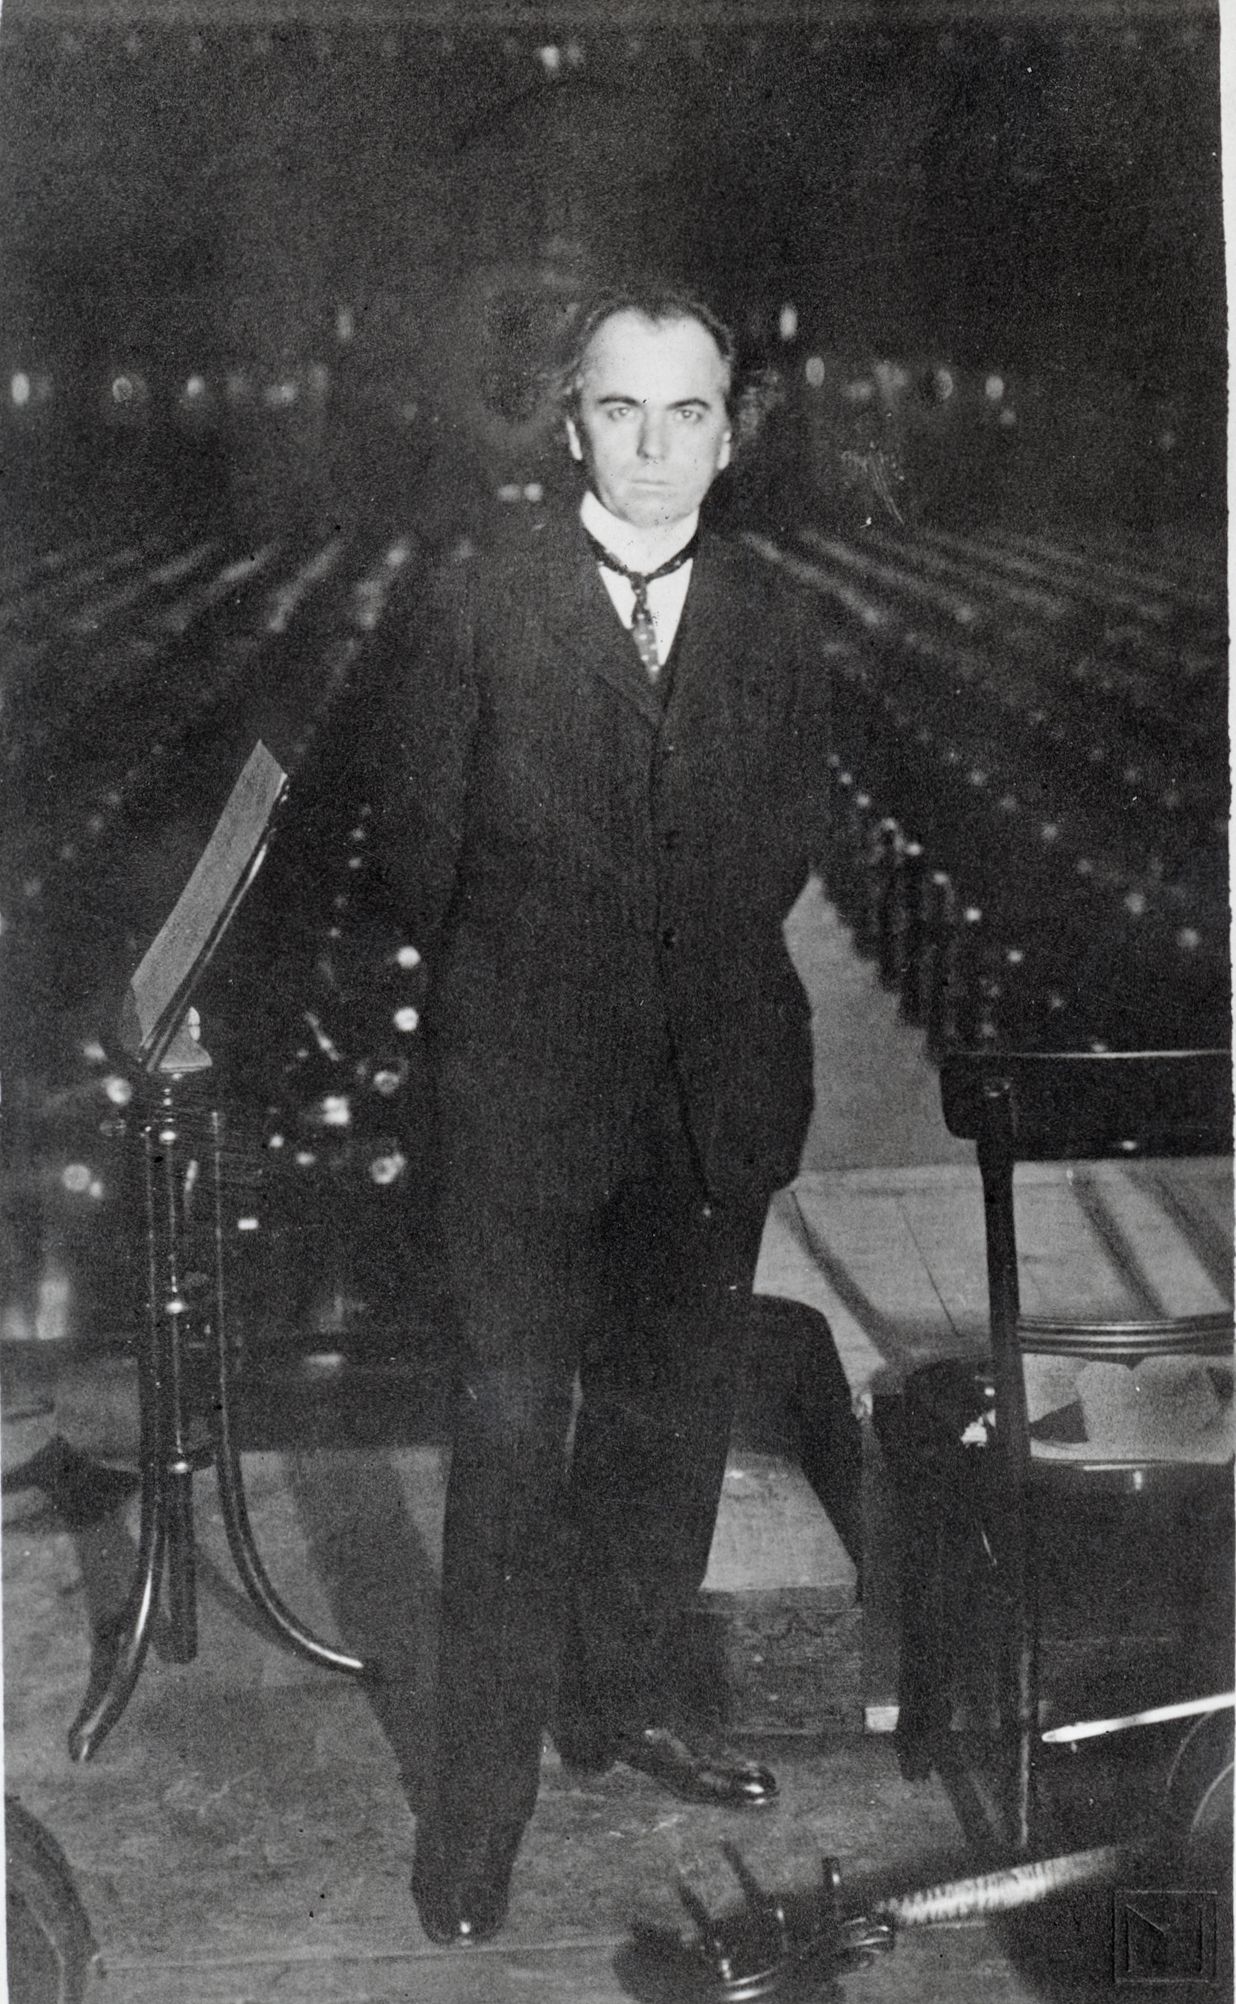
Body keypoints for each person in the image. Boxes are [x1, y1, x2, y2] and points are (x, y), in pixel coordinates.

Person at [367, 284, 832, 1945]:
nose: (652, 446)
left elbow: (786, 841)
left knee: (667, 1430)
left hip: (711, 1096)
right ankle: (475, 1810)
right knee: (508, 1445)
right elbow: (418, 855)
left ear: (729, 433)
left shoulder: (774, 616)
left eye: (687, 412)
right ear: (571, 425)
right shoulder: (477, 601)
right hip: (523, 1098)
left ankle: (619, 1698)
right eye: (620, 410)